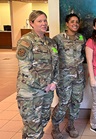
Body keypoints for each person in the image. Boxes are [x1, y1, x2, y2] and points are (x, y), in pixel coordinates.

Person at [16, 10, 58, 139]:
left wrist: (54, 82)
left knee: (42, 121)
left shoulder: (50, 42)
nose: (44, 23)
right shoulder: (26, 41)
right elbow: (25, 68)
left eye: (45, 20)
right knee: (33, 128)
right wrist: (44, 85)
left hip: (47, 92)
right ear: (31, 23)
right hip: (30, 93)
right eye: (40, 21)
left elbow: (55, 65)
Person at [51, 13, 86, 139]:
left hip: (78, 77)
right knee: (64, 102)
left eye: (77, 21)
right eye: (72, 21)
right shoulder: (58, 39)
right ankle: (55, 127)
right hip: (64, 78)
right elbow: (53, 59)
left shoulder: (82, 38)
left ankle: (71, 125)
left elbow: (84, 55)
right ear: (67, 23)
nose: (75, 24)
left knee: (76, 102)